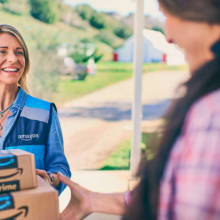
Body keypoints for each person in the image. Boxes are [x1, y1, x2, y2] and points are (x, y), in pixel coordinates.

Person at [58, 0, 220, 219]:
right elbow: (169, 196)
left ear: (201, 12)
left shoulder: (211, 114)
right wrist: (92, 200)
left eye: (168, 15)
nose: (168, 35)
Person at [0, 24, 71, 195]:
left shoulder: (44, 112)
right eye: (3, 51)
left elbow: (61, 169)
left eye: (19, 52)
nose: (13, 59)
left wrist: (50, 179)